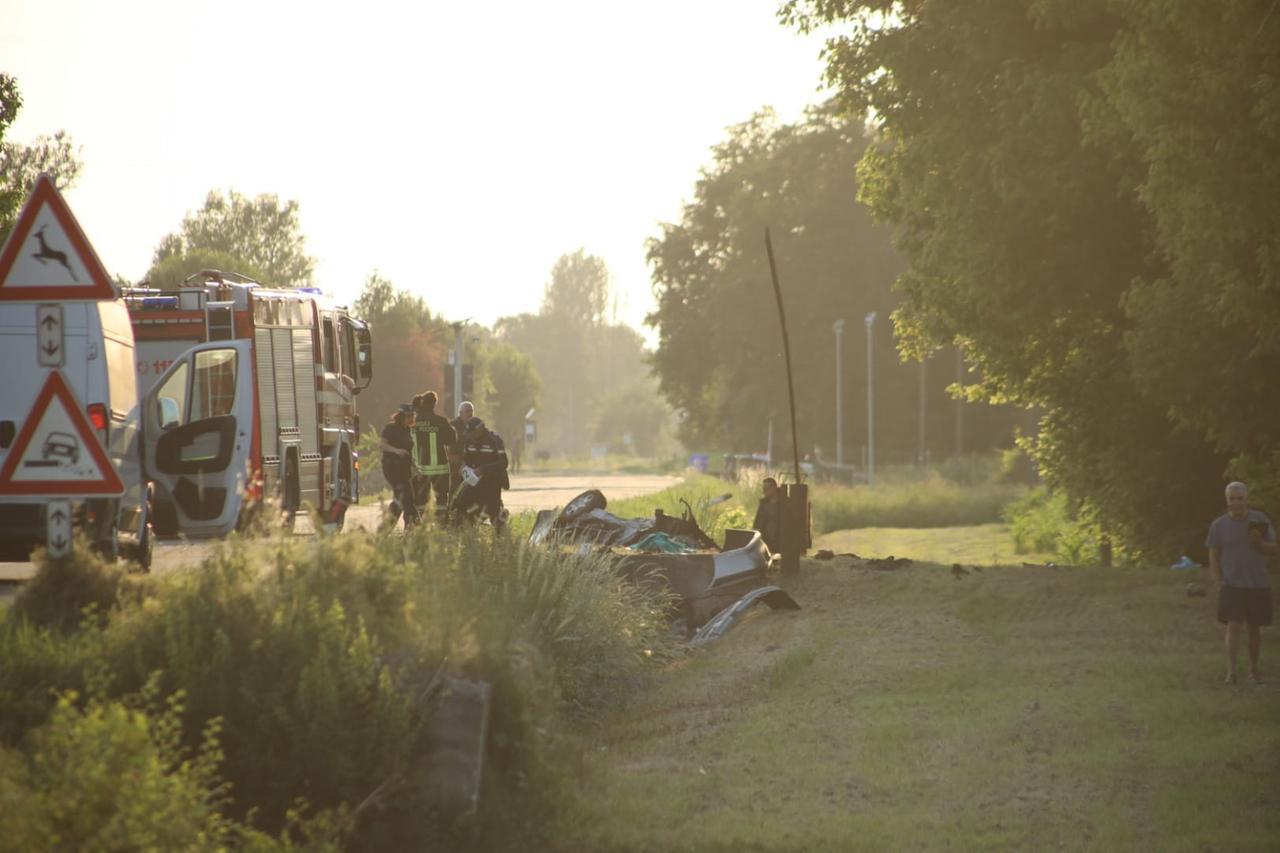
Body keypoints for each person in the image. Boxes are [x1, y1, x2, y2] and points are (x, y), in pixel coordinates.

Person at [1206, 481, 1277, 684]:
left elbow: (1274, 548)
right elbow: (1213, 556)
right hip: (1232, 584)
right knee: (1233, 626)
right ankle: (1232, 673)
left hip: (1258, 583)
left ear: (1247, 499)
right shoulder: (1218, 525)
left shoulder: (1259, 520)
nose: (1236, 503)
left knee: (1255, 629)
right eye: (1232, 499)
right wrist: (1218, 583)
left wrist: (1260, 543)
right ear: (1226, 500)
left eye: (1240, 498)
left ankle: (1254, 671)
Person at [450, 418, 510, 530]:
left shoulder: (494, 440)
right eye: (469, 433)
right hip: (474, 481)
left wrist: (483, 469)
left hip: (492, 481)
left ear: (480, 429)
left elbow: (504, 462)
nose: (470, 435)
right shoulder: (469, 440)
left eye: (472, 432)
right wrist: (463, 466)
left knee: (492, 510)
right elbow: (466, 458)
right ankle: (466, 528)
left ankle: (500, 528)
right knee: (461, 503)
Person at [410, 391, 456, 519]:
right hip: (440, 468)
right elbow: (452, 439)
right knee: (441, 498)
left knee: (420, 500)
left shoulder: (412, 422)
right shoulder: (441, 421)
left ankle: (418, 526)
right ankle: (442, 524)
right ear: (434, 404)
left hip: (419, 469)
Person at [379, 404, 420, 530]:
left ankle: (385, 529)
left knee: (400, 499)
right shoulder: (390, 428)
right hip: (392, 467)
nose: (411, 419)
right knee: (407, 497)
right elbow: (382, 445)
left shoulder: (407, 430)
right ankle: (415, 527)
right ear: (401, 416)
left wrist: (415, 468)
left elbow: (408, 452)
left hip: (405, 468)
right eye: (408, 416)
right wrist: (396, 451)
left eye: (412, 416)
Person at [448, 400, 475, 493]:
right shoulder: (452, 425)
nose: (470, 413)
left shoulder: (474, 425)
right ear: (460, 413)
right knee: (455, 486)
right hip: (455, 462)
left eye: (471, 411)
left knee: (469, 486)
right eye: (467, 411)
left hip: (469, 462)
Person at [753, 477, 783, 553]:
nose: (764, 491)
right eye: (763, 488)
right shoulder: (763, 503)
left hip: (779, 540)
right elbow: (758, 519)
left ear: (774, 488)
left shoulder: (783, 503)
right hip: (765, 538)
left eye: (766, 488)